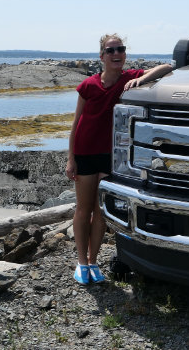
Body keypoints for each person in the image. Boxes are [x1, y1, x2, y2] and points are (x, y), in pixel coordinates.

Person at [65, 33, 172, 284]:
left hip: (111, 156)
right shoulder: (88, 85)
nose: (116, 54)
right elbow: (76, 123)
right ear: (101, 56)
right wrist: (71, 159)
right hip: (84, 152)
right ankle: (81, 263)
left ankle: (93, 262)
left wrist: (142, 79)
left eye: (120, 49)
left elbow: (168, 67)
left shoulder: (129, 78)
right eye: (111, 50)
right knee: (83, 209)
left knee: (100, 211)